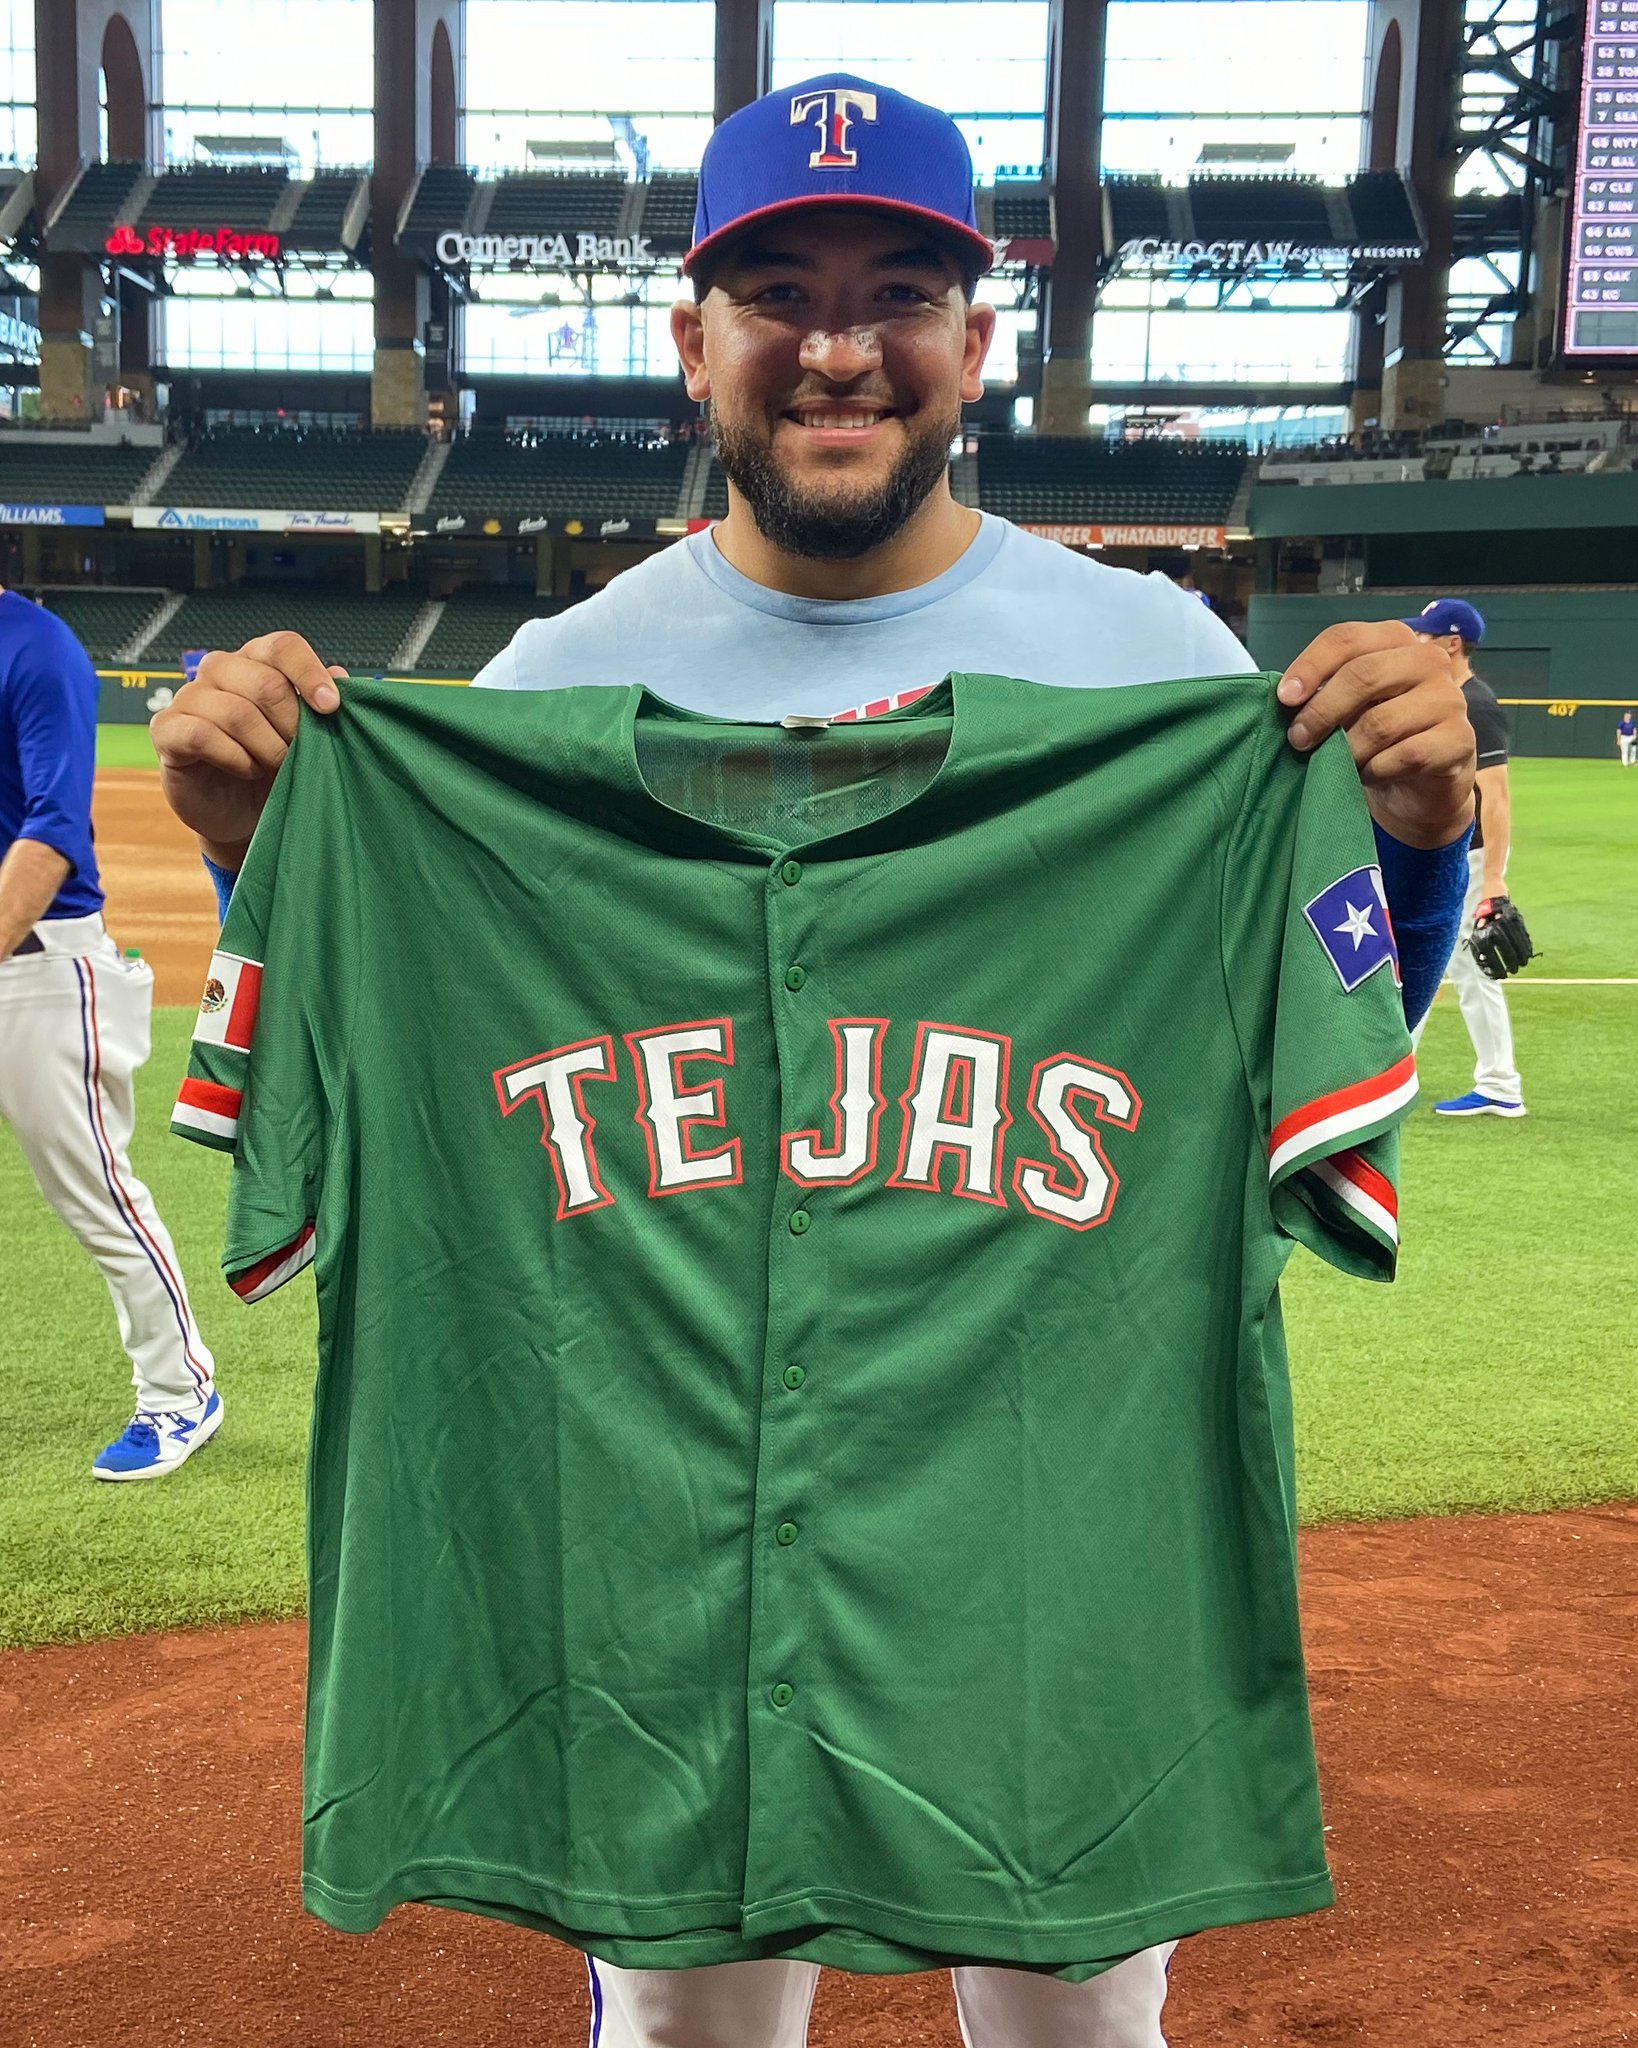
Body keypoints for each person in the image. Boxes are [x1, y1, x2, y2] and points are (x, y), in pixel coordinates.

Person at [150, 75, 1474, 2048]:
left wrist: (1418, 846)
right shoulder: (541, 694)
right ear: (695, 341)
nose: (838, 344)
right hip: (657, 1580)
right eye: (777, 287)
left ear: (977, 337)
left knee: (1077, 2039)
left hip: (1049, 1556)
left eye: (899, 290)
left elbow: (1335, 1036)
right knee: (684, 2035)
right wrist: (272, 839)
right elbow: (367, 1072)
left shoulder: (1172, 677)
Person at [0, 586, 221, 1479]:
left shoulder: (34, 644)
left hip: (43, 966)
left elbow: (53, 831)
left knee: (98, 1200)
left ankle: (180, 1393)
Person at [1402, 599, 1525, 1118]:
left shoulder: (1476, 704)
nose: (1418, 643)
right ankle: (1487, 1081)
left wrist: (1493, 879)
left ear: (1452, 643)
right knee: (1443, 963)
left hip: (1471, 861)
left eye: (1427, 636)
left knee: (1466, 969)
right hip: (1450, 855)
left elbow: (1495, 798)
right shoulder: (1444, 699)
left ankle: (1498, 1085)